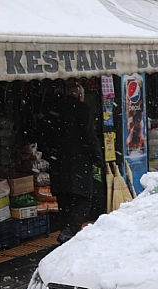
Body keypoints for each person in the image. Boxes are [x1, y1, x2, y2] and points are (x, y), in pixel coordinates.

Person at [42, 80, 102, 244]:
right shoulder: (83, 109)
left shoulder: (54, 109)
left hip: (58, 162)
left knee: (64, 197)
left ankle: (65, 228)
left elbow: (44, 135)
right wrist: (98, 157)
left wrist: (50, 154)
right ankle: (70, 230)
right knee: (83, 198)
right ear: (80, 96)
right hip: (78, 162)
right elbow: (89, 135)